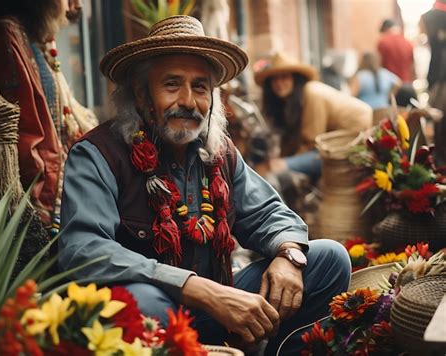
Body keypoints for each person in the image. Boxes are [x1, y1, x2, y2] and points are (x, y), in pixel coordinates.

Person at [58, 16, 351, 354]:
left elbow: (271, 214)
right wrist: (195, 288)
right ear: (141, 94)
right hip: (159, 310)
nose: (188, 100)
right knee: (139, 304)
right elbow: (83, 248)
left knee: (330, 259)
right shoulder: (98, 154)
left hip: (221, 306)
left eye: (200, 87)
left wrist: (289, 255)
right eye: (171, 84)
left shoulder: (219, 152)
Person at [0, 0, 98, 230]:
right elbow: (24, 134)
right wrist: (38, 204)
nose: (74, 6)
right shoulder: (9, 34)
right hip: (39, 203)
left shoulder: (36, 43)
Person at [254, 52, 372, 183]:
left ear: (295, 78)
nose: (279, 83)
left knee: (275, 167)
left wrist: (282, 162)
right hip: (334, 143)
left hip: (354, 143)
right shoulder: (290, 102)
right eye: (274, 79)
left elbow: (312, 142)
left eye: (284, 77)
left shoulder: (311, 93)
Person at [420, 0, 446, 166]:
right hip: (439, 77)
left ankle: (440, 158)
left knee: (439, 121)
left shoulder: (427, 17)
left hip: (438, 77)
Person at [377, 19, 415, 83]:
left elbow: (379, 64)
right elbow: (412, 67)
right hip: (406, 82)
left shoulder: (383, 42)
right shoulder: (408, 43)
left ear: (385, 29)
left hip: (390, 83)